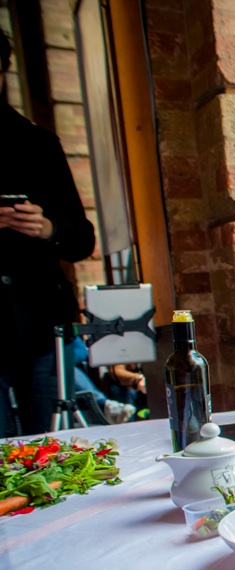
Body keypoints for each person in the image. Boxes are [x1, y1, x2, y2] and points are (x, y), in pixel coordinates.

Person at [0, 30, 96, 437]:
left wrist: (48, 228)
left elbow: (82, 240)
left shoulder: (36, 144)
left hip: (41, 323)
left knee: (49, 447)